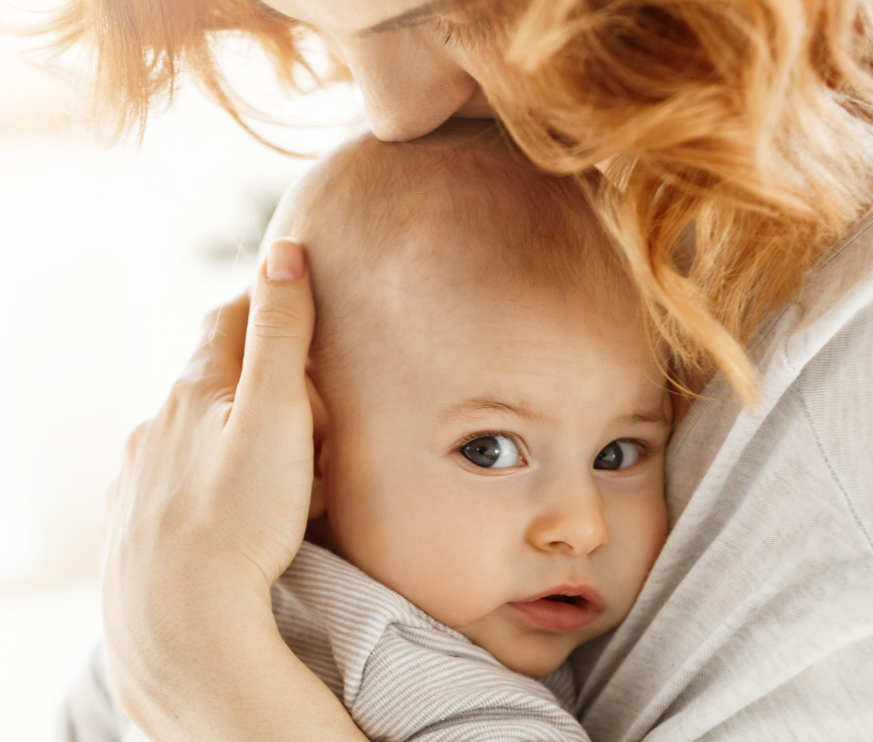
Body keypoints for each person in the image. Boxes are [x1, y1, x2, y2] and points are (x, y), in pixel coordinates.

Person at [48, 0, 873, 740]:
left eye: (619, 452)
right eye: (488, 446)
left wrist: (201, 664)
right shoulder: (389, 636)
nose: (387, 113)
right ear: (306, 438)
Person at [68, 120, 673, 741]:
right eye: (489, 451)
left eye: (616, 454)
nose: (582, 528)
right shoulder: (471, 710)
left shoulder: (159, 590)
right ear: (312, 449)